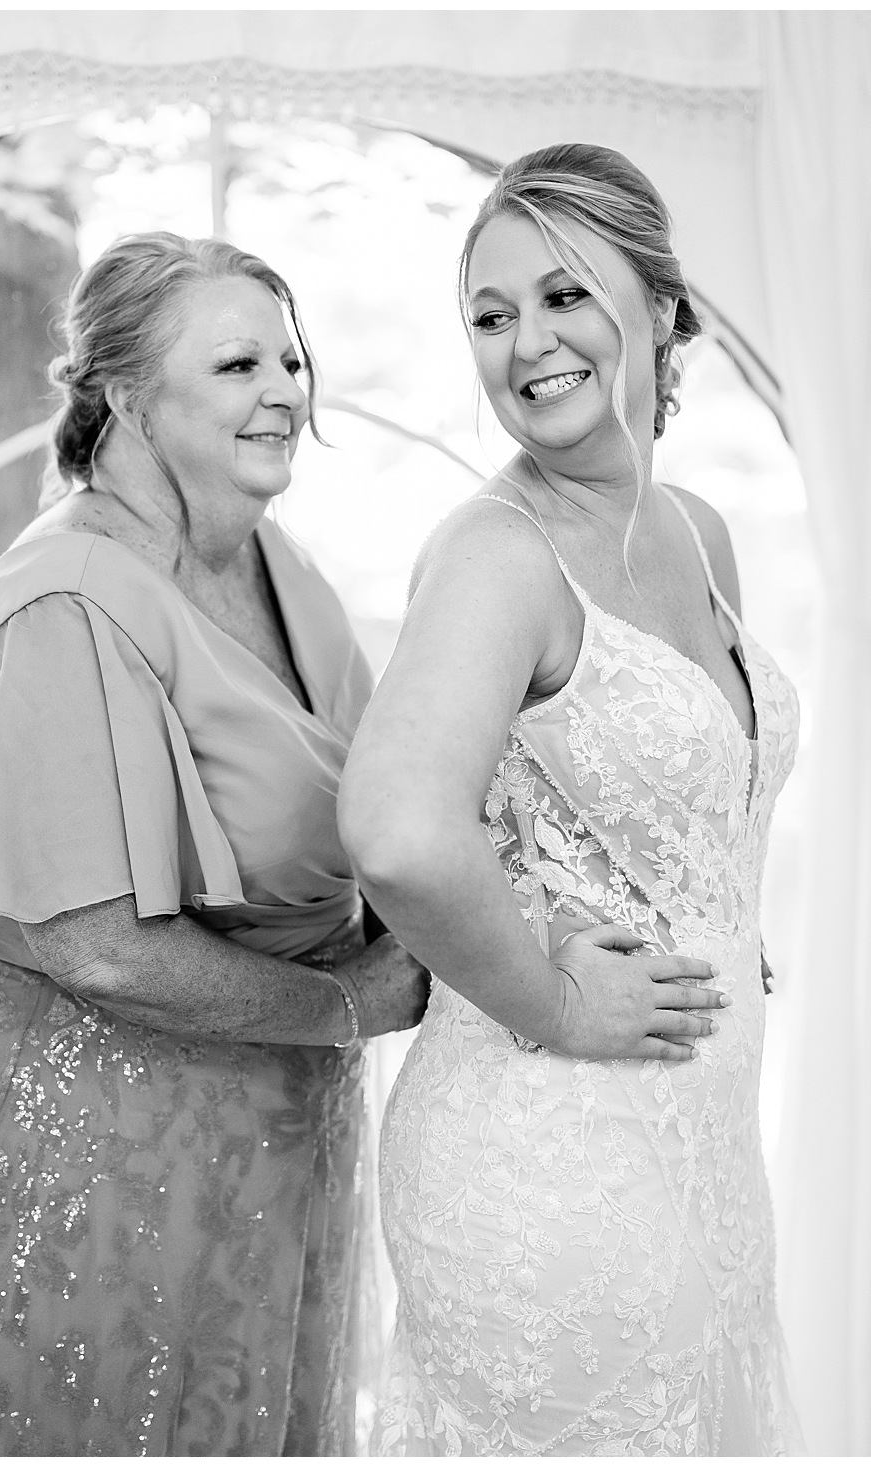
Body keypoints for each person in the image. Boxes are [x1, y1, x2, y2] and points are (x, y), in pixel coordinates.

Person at [0, 234, 432, 1456]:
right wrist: (350, 1007)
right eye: (236, 365)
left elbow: (386, 802)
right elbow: (100, 948)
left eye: (290, 360)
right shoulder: (64, 601)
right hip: (80, 1131)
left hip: (262, 1122)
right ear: (125, 396)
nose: (283, 391)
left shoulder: (277, 564)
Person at [340, 143, 799, 1454]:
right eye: (490, 317)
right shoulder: (497, 555)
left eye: (562, 296)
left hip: (703, 1141)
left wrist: (716, 920)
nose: (525, 342)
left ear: (659, 309)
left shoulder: (696, 531)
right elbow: (395, 831)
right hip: (553, 1166)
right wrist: (552, 998)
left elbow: (694, 789)